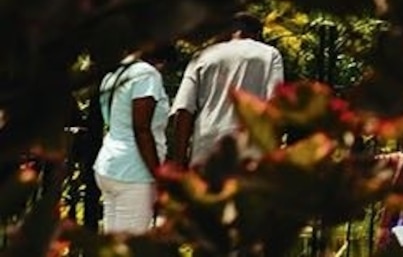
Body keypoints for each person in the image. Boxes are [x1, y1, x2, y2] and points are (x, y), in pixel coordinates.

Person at [167, 12, 285, 174]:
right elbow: (275, 105)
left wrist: (179, 164)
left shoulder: (203, 56)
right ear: (257, 34)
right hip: (250, 149)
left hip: (206, 147)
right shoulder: (269, 55)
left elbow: (184, 110)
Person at [90, 47, 168, 234]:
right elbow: (141, 128)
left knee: (113, 243)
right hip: (135, 171)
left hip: (110, 164)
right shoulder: (147, 75)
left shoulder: (116, 72)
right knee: (131, 245)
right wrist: (159, 176)